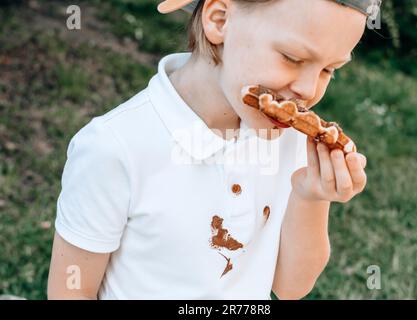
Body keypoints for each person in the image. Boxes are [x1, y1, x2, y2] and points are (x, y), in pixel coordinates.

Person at [48, 0, 377, 300]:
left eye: (328, 70)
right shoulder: (115, 147)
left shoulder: (288, 139)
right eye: (292, 58)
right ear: (219, 20)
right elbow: (70, 292)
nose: (306, 91)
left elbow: (291, 287)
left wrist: (311, 196)